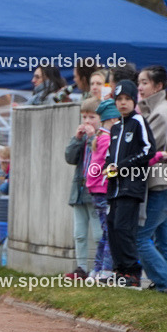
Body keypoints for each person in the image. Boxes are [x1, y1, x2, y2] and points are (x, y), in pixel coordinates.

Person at [134, 65, 167, 292]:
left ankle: (166, 282)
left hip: (162, 185)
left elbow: (144, 149)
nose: (140, 87)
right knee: (165, 239)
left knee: (140, 237)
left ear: (158, 86)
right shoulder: (158, 110)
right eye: (139, 83)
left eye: (144, 83)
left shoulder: (160, 113)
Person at [104, 80, 152, 287]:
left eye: (127, 99)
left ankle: (132, 273)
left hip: (131, 186)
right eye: (119, 99)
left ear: (134, 101)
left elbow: (148, 150)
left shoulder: (138, 122)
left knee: (124, 228)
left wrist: (122, 166)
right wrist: (108, 167)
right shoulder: (115, 127)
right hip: (114, 188)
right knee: (112, 226)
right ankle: (119, 270)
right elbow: (109, 155)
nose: (123, 103)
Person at [64, 97, 102, 278]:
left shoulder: (101, 138)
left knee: (98, 233)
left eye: (92, 117)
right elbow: (70, 158)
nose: (87, 121)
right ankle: (81, 267)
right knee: (79, 234)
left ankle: (99, 267)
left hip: (95, 192)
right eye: (84, 117)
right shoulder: (82, 139)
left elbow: (99, 155)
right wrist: (77, 139)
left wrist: (92, 137)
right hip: (78, 192)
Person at [86, 99, 119, 281]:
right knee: (109, 233)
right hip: (103, 189)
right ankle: (105, 270)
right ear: (113, 119)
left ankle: (96, 270)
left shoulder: (100, 137)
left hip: (96, 190)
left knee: (105, 232)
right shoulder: (108, 140)